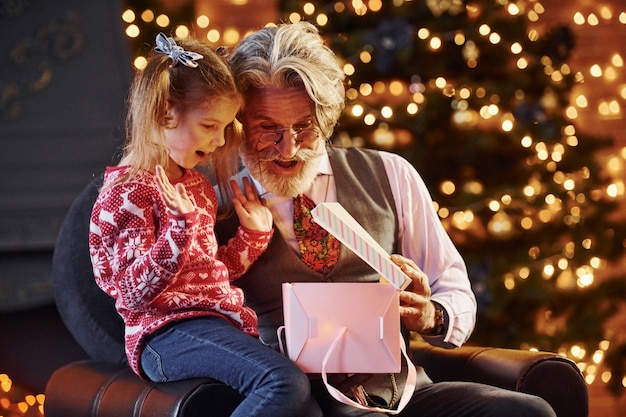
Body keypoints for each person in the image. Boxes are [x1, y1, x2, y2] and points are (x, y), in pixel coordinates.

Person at [213, 21, 558, 417]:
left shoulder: (391, 174)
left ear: (325, 120)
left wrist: (431, 314)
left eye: (303, 127)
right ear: (239, 123)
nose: (288, 148)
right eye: (267, 128)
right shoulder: (212, 196)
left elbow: (454, 289)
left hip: (398, 392)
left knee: (529, 412)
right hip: (292, 400)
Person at [88, 32, 321, 417]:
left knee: (306, 410)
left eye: (226, 128)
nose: (218, 142)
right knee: (283, 383)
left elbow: (203, 275)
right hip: (162, 335)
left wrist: (253, 236)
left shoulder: (195, 186)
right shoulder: (126, 193)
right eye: (210, 125)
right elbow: (131, 294)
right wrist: (178, 232)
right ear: (165, 112)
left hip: (213, 323)